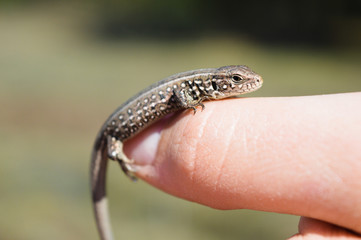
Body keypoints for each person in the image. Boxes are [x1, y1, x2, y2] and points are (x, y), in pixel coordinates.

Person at [124, 92, 361, 239]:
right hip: (119, 130)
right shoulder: (189, 88)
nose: (251, 84)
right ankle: (115, 149)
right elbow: (178, 95)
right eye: (237, 81)